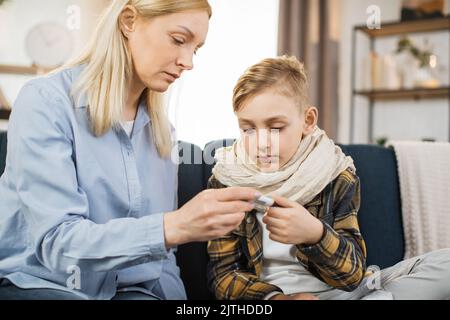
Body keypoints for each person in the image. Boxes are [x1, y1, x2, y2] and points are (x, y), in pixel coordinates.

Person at [0, 0, 260, 300]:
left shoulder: (162, 133)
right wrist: (170, 227)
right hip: (42, 284)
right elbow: (59, 244)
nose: (188, 62)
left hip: (127, 290)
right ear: (128, 21)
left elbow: (162, 263)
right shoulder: (46, 102)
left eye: (196, 49)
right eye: (178, 40)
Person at [207, 55, 450, 300]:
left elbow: (352, 275)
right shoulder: (228, 180)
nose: (261, 143)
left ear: (308, 121)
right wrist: (279, 299)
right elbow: (225, 276)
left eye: (276, 128)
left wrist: (315, 234)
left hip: (343, 293)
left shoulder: (335, 174)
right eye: (248, 129)